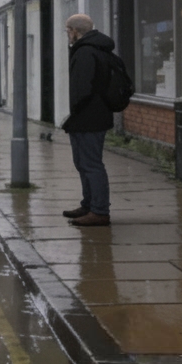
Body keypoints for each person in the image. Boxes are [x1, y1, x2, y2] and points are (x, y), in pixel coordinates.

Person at [61, 14, 115, 227]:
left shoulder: (85, 52)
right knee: (83, 163)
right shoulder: (95, 49)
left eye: (68, 30)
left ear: (75, 30)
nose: (67, 34)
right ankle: (89, 204)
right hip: (92, 115)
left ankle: (99, 211)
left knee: (91, 164)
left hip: (89, 117)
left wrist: (75, 111)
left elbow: (82, 89)